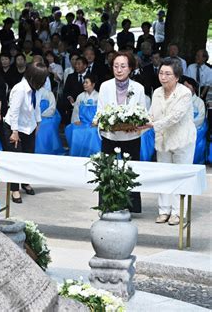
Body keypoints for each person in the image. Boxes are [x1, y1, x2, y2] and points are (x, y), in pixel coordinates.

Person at [139, 58, 196, 225]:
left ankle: (178, 213)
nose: (163, 77)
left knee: (179, 177)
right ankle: (164, 210)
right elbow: (152, 114)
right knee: (163, 175)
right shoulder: (157, 92)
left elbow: (175, 117)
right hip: (163, 139)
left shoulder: (184, 93)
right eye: (161, 73)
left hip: (182, 140)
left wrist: (152, 125)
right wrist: (139, 125)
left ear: (177, 77)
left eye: (168, 74)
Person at [96, 51, 147, 213]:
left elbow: (143, 113)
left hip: (130, 136)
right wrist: (104, 122)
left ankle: (130, 205)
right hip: (109, 135)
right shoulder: (105, 86)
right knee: (107, 170)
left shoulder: (138, 88)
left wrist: (135, 125)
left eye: (123, 66)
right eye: (116, 66)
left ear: (130, 68)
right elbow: (100, 111)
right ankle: (106, 204)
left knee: (130, 170)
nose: (119, 70)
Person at [4, 62, 49, 203]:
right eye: (42, 79)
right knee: (16, 159)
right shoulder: (20, 89)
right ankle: (14, 189)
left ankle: (25, 182)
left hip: (29, 127)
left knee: (28, 157)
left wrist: (38, 123)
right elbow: (14, 112)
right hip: (15, 127)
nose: (43, 83)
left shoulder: (36, 90)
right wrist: (14, 131)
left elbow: (36, 108)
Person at [65, 75, 101, 157]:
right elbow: (76, 110)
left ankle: (93, 153)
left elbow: (100, 111)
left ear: (93, 84)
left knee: (92, 132)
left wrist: (96, 122)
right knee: (74, 129)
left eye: (87, 82)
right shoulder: (80, 96)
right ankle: (76, 153)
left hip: (93, 123)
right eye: (84, 82)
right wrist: (76, 119)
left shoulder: (98, 96)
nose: (84, 84)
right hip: (82, 122)